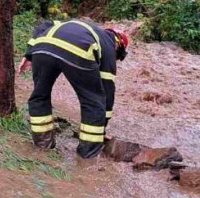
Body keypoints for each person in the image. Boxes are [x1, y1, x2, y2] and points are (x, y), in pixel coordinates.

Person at [18, 19, 129, 159]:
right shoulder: (109, 44)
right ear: (119, 46)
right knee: (93, 102)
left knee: (40, 95)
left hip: (42, 47)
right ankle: (87, 156)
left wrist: (29, 53)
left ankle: (42, 146)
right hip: (79, 50)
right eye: (118, 57)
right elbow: (107, 95)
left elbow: (46, 24)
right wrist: (101, 129)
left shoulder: (85, 28)